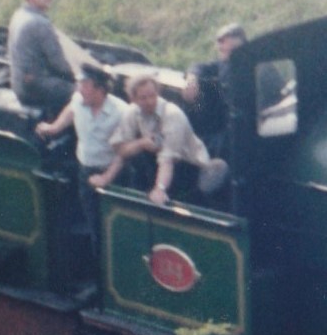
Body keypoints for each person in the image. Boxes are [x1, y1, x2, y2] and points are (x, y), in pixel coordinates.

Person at [35, 64, 128, 264]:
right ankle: (97, 266)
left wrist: (106, 178)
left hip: (113, 175)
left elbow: (124, 153)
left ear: (100, 89)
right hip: (86, 170)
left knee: (110, 226)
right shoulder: (79, 100)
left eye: (85, 85)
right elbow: (70, 110)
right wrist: (54, 128)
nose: (79, 90)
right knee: (93, 221)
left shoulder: (121, 112)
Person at [112, 73, 228, 208]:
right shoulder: (132, 113)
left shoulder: (173, 114)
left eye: (152, 95)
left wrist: (160, 189)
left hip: (189, 171)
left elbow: (167, 160)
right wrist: (141, 143)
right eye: (143, 98)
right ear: (133, 99)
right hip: (157, 167)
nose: (149, 101)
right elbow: (120, 148)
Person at [181, 22, 285, 158]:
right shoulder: (226, 63)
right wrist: (192, 78)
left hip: (249, 135)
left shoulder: (263, 69)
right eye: (221, 49)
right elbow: (202, 66)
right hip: (228, 127)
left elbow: (269, 106)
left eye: (227, 49)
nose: (222, 51)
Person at [8, 0, 75, 112]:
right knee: (84, 94)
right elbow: (58, 63)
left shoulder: (19, 15)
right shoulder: (39, 23)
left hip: (20, 84)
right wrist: (77, 76)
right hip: (35, 88)